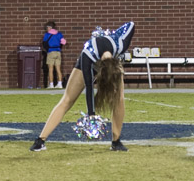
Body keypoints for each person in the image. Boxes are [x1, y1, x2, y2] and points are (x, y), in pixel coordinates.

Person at [31, 22, 135, 153]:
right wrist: (91, 115)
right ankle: (40, 140)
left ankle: (116, 141)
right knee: (67, 99)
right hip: (88, 62)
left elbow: (131, 24)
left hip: (112, 62)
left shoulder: (120, 44)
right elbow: (89, 86)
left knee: (119, 99)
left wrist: (114, 34)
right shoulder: (88, 55)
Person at [42, 22, 67, 89]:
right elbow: (63, 42)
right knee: (58, 69)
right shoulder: (59, 34)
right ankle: (60, 84)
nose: (46, 29)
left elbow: (44, 44)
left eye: (47, 27)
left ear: (50, 27)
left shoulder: (47, 35)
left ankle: (51, 84)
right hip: (58, 52)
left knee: (50, 69)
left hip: (50, 52)